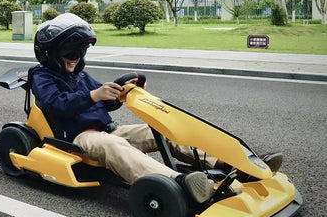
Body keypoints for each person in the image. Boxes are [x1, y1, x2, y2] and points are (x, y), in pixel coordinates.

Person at [30, 13, 282, 203]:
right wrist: (95, 95)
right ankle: (180, 183)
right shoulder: (41, 76)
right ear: (49, 52)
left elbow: (104, 101)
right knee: (113, 146)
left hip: (107, 129)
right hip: (77, 137)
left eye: (80, 50)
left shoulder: (81, 76)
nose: (75, 56)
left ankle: (232, 166)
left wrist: (121, 94)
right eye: (69, 50)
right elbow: (56, 104)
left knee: (158, 130)